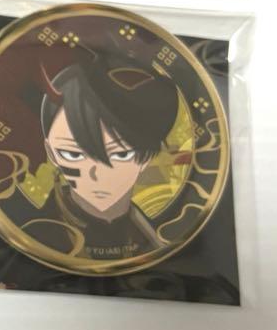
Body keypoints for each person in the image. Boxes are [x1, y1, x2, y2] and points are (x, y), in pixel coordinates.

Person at [11, 53, 180, 262]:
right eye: (73, 154)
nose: (96, 174)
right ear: (51, 153)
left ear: (146, 158)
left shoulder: (156, 238)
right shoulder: (35, 236)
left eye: (121, 154)